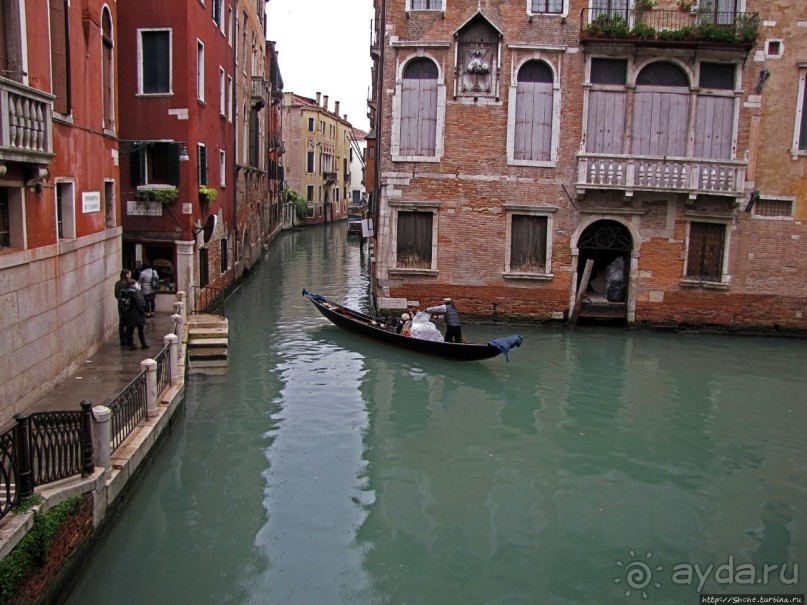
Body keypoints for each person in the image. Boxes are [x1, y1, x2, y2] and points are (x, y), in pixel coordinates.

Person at [120, 278, 150, 350]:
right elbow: (138, 303)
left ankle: (131, 345)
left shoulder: (124, 292)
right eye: (134, 284)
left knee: (130, 331)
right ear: (131, 285)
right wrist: (143, 311)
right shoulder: (133, 292)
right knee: (140, 330)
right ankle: (143, 344)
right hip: (136, 313)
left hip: (128, 313)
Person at [114, 269, 131, 347]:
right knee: (128, 323)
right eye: (129, 274)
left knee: (121, 323)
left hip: (120, 304)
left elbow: (116, 295)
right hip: (127, 305)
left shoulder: (117, 283)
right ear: (126, 275)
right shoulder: (127, 284)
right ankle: (128, 340)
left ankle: (122, 340)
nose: (130, 275)